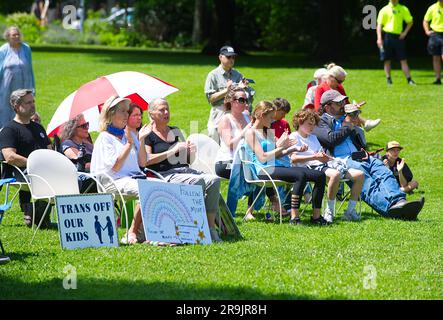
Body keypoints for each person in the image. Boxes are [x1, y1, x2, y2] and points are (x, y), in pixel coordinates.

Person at [313, 89, 425, 220]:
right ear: (327, 106)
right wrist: (348, 124)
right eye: (338, 103)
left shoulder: (347, 116)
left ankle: (399, 202)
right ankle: (390, 209)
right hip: (340, 160)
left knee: (384, 172)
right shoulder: (320, 122)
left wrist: (354, 116)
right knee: (367, 181)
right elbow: (331, 140)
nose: (343, 105)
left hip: (359, 155)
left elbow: (359, 139)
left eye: (343, 102)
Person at [144, 98, 223, 241]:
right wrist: (172, 151)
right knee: (197, 181)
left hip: (184, 171)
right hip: (164, 175)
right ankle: (195, 227)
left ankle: (210, 228)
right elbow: (146, 160)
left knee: (214, 180)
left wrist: (190, 152)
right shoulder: (147, 134)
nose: (166, 112)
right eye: (162, 110)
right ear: (152, 113)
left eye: (167, 109)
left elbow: (188, 162)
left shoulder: (175, 130)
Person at [244, 100, 328, 225]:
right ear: (261, 116)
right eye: (271, 117)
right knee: (300, 175)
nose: (273, 120)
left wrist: (294, 149)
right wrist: (281, 147)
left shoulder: (268, 131)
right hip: (263, 170)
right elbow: (262, 157)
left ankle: (316, 216)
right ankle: (295, 217)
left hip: (276, 166)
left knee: (320, 176)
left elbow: (276, 155)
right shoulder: (251, 132)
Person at [90, 95, 151, 245]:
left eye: (127, 111)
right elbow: (115, 166)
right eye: (123, 111)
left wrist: (140, 139)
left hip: (132, 179)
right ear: (111, 114)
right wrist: (129, 144)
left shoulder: (127, 136)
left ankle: (150, 233)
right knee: (147, 189)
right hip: (112, 181)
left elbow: (143, 162)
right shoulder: (105, 138)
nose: (126, 115)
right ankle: (132, 232)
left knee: (161, 187)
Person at [290, 109, 365, 223]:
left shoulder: (313, 137)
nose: (312, 127)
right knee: (335, 175)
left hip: (323, 165)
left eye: (314, 124)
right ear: (299, 123)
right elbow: (294, 159)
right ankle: (329, 211)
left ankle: (349, 211)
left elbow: (321, 155)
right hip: (308, 168)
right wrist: (315, 157)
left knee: (360, 175)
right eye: (309, 124)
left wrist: (329, 159)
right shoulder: (294, 137)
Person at [0, 89, 52, 227]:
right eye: (28, 102)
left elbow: (49, 150)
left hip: (43, 171)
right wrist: (34, 163)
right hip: (20, 173)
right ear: (16, 106)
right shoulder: (9, 129)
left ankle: (35, 212)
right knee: (49, 180)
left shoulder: (38, 127)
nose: (33, 105)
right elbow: (9, 156)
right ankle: (37, 213)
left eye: (33, 101)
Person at [314, 64, 381, 132]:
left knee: (353, 114)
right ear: (331, 77)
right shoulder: (321, 88)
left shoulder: (339, 87)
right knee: (352, 116)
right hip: (330, 116)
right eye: (340, 81)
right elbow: (318, 109)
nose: (340, 84)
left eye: (342, 82)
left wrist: (353, 106)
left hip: (341, 113)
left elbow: (346, 103)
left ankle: (361, 129)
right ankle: (365, 123)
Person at [204, 46, 249, 144]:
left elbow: (245, 95)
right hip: (219, 111)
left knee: (236, 141)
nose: (232, 60)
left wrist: (244, 88)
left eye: (233, 57)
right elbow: (211, 98)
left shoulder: (238, 75)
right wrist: (227, 90)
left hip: (235, 111)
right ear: (220, 57)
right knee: (214, 139)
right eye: (228, 57)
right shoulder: (213, 75)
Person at [0, 27, 36, 128]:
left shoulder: (26, 48)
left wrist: (32, 87)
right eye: (13, 35)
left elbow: (30, 69)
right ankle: (4, 132)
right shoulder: (3, 50)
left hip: (23, 86)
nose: (16, 36)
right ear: (8, 37)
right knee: (6, 110)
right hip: (7, 88)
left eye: (18, 34)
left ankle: (23, 130)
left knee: (25, 108)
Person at [376, 0, 416, 85]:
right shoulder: (384, 10)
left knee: (403, 59)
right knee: (386, 59)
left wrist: (405, 33)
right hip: (387, 36)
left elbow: (410, 21)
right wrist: (379, 38)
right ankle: (388, 79)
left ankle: (409, 79)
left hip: (398, 37)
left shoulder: (403, 9)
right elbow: (379, 25)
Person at [58, 114, 96, 193]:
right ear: (73, 129)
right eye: (83, 126)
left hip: (93, 176)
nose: (87, 128)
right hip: (78, 181)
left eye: (87, 124)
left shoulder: (88, 145)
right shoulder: (67, 144)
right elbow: (79, 161)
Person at [423, 0, 443, 85]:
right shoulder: (432, 7)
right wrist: (427, 31)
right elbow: (425, 20)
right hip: (435, 35)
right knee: (436, 57)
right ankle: (438, 79)